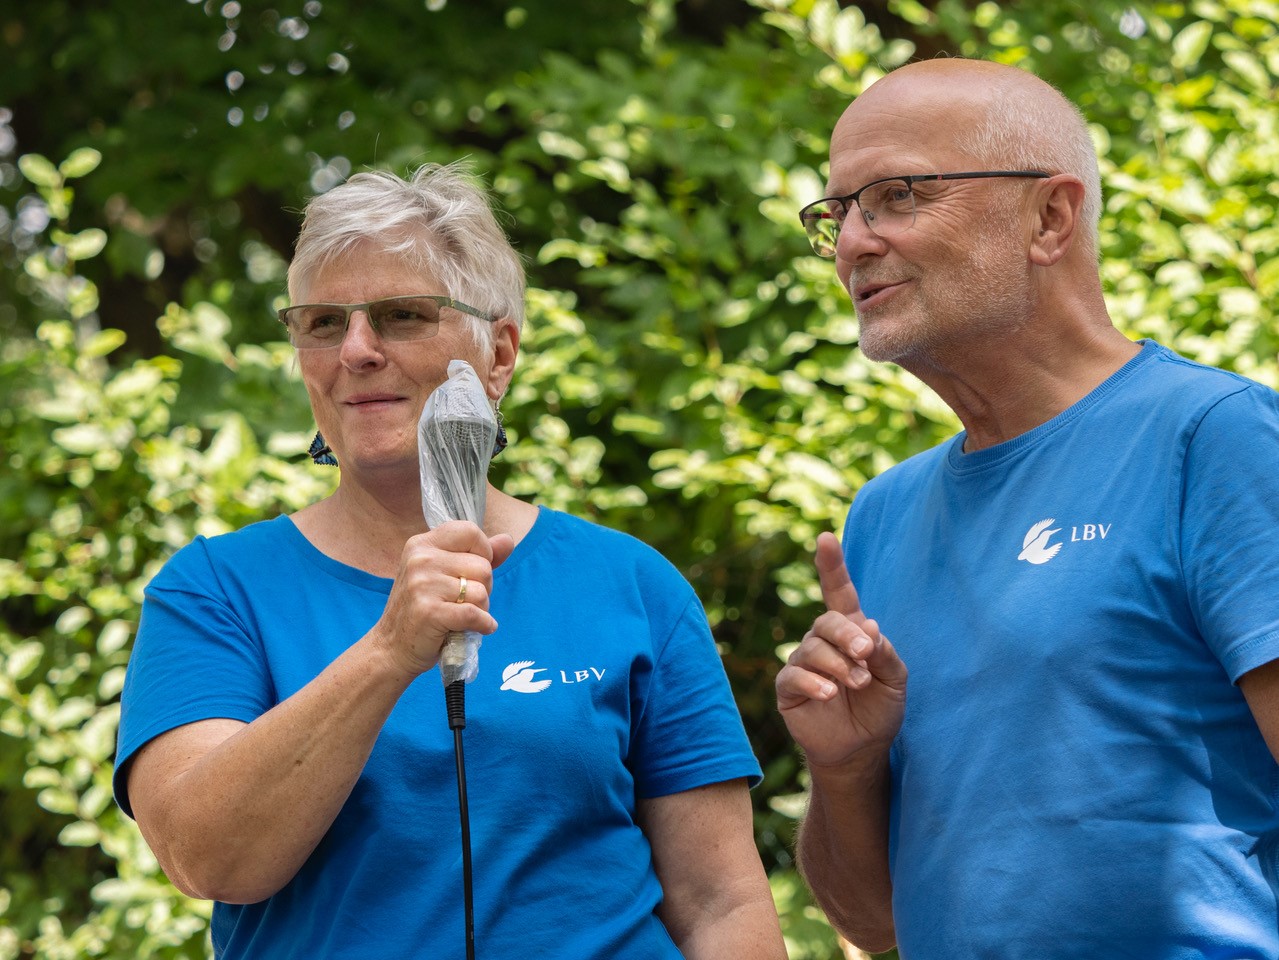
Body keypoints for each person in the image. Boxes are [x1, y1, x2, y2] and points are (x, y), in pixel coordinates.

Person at [113, 162, 787, 960]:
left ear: (498, 354)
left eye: (400, 316)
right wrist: (389, 652)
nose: (355, 351)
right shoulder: (215, 589)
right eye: (323, 323)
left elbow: (720, 903)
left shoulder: (632, 584)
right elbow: (207, 858)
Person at [775, 58, 1279, 958]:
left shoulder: (1213, 438)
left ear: (1049, 217)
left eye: (895, 195)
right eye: (838, 212)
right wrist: (842, 768)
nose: (852, 241)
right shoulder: (879, 518)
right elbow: (872, 923)